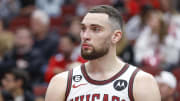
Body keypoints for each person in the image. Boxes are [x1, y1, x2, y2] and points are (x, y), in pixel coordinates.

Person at [45, 5, 161, 101]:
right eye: (83, 29)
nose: (85, 36)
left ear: (115, 36)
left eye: (95, 29)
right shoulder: (61, 82)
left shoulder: (141, 81)